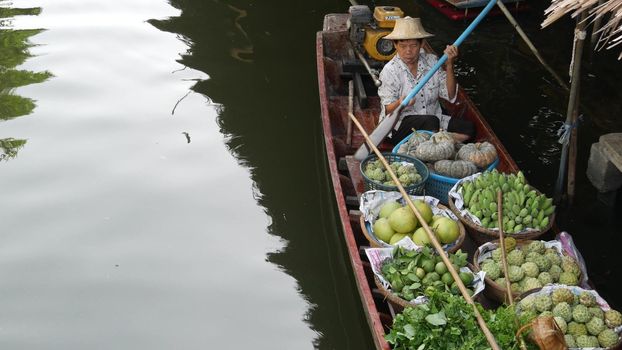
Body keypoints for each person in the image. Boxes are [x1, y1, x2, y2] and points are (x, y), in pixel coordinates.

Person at [378, 16, 475, 144]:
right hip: (399, 125)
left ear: (422, 44)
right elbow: (388, 109)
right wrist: (401, 103)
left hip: (433, 119)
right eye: (402, 46)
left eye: (413, 45)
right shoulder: (390, 71)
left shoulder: (432, 62)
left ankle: (439, 140)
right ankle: (441, 140)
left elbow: (450, 94)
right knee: (431, 121)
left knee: (468, 128)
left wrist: (450, 64)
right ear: (395, 45)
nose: (408, 51)